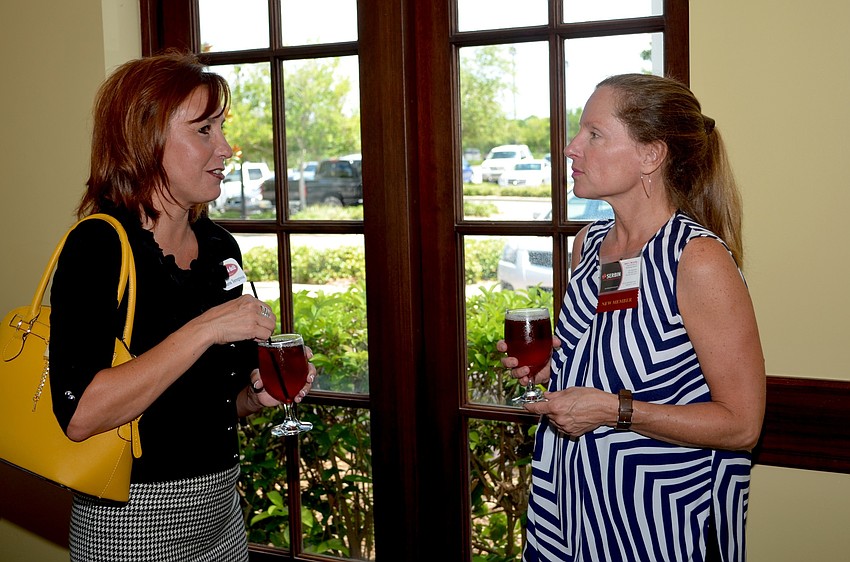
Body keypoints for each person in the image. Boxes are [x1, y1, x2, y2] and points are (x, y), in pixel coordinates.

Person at [49, 51, 315, 561]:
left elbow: (211, 402)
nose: (227, 148)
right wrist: (206, 328)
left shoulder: (220, 249)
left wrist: (253, 398)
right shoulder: (99, 247)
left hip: (221, 513)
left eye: (221, 129)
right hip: (130, 523)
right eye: (204, 131)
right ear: (144, 141)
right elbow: (81, 414)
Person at [498, 74, 765, 562]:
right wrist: (551, 373)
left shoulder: (697, 260)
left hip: (659, 524)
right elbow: (610, 363)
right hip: (569, 514)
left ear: (650, 155)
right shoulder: (589, 244)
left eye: (593, 134)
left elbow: (742, 425)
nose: (571, 148)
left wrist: (611, 410)